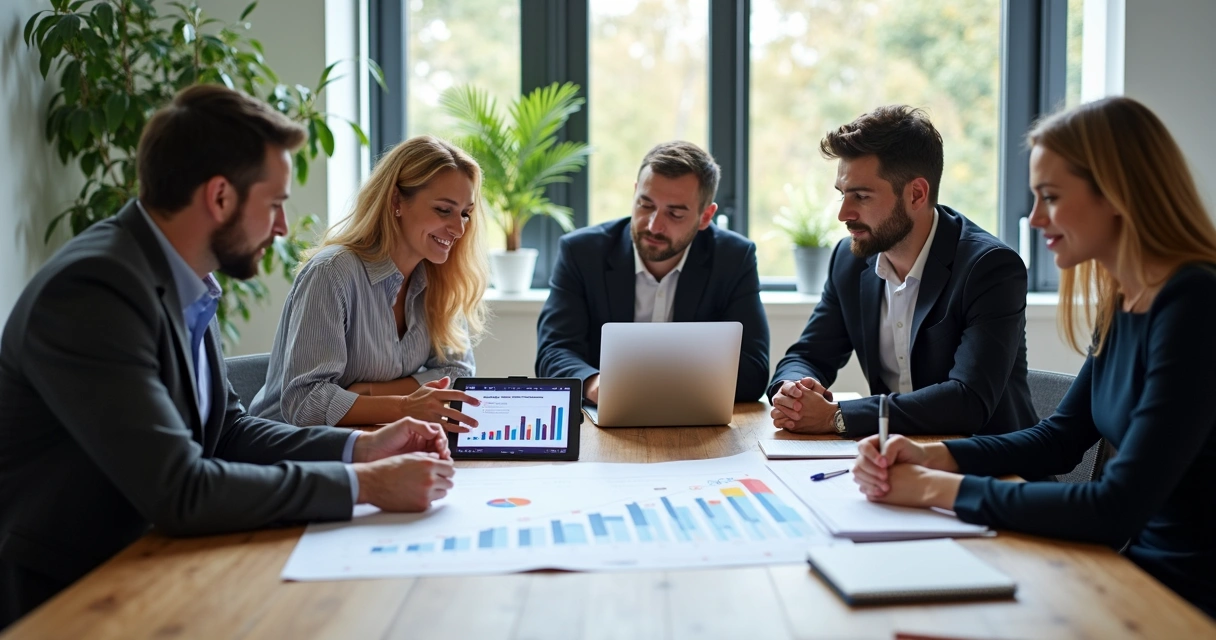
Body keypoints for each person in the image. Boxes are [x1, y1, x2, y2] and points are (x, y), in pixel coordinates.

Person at [0, 85, 455, 628]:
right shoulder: (94, 290)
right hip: (71, 591)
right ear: (220, 197)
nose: (284, 228)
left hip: (153, 561)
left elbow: (227, 432)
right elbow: (181, 489)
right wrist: (368, 485)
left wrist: (363, 446)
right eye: (276, 204)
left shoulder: (181, 278)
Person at [851, 97, 1216, 618]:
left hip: (1185, 602)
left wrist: (934, 488)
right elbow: (1060, 439)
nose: (1035, 217)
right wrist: (931, 455)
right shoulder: (1124, 298)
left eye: (1050, 196)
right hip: (1133, 578)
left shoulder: (1195, 304)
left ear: (1116, 193)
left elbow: (1115, 507)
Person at [768, 106, 1035, 438]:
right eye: (842, 194)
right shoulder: (849, 261)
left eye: (861, 196)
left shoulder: (990, 268)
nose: (843, 214)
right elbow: (809, 354)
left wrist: (836, 416)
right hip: (896, 461)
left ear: (916, 194)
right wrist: (791, 390)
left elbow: (968, 401)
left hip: (988, 470)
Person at [249, 135, 488, 429]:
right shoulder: (332, 273)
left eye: (465, 214)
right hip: (286, 455)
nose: (459, 229)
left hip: (370, 444)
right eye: (443, 210)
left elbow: (459, 372)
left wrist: (373, 393)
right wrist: (404, 406)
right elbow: (306, 403)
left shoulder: (440, 279)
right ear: (396, 201)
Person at [535, 141, 769, 403]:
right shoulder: (581, 252)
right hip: (602, 417)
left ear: (705, 216)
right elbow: (554, 352)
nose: (654, 226)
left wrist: (661, 387)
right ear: (635, 193)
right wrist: (595, 385)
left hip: (696, 420)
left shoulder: (734, 258)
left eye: (675, 213)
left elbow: (753, 370)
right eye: (645, 205)